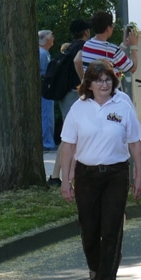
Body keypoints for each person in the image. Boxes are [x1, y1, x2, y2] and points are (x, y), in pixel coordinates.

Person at [57, 60, 141, 280]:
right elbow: (68, 146)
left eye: (108, 80)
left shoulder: (123, 105)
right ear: (90, 84)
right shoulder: (79, 108)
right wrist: (66, 179)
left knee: (112, 226)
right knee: (89, 228)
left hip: (116, 173)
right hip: (87, 174)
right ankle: (95, 268)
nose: (104, 84)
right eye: (99, 80)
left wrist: (138, 174)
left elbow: (135, 143)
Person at [49, 19, 91, 189]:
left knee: (70, 135)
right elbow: (77, 62)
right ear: (86, 32)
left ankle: (57, 175)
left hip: (65, 94)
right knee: (70, 136)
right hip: (73, 94)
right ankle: (57, 175)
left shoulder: (69, 47)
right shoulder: (82, 47)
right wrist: (85, 82)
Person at [78, 11, 136, 83]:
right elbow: (133, 68)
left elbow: (112, 57)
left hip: (92, 89)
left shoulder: (87, 45)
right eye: (112, 25)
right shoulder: (111, 50)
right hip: (107, 91)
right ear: (108, 28)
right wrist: (134, 46)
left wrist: (124, 45)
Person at [38, 29, 57, 150]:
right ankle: (47, 142)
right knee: (46, 115)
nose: (53, 38)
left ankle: (48, 141)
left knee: (47, 115)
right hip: (45, 90)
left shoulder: (44, 53)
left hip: (46, 90)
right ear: (45, 40)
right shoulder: (42, 54)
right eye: (51, 36)